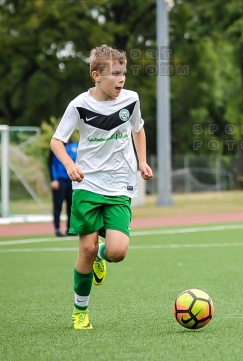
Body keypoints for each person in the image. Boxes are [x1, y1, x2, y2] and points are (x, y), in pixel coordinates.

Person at [50, 44, 153, 329]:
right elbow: (56, 141)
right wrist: (70, 165)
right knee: (84, 249)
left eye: (124, 73)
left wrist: (142, 161)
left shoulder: (131, 99)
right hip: (88, 185)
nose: (121, 79)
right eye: (114, 74)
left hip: (120, 184)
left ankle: (100, 255)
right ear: (96, 75)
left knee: (117, 251)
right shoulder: (79, 105)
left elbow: (138, 128)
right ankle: (80, 311)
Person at [48, 141, 78, 237]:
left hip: (72, 180)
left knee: (72, 206)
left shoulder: (76, 145)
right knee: (58, 205)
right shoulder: (56, 145)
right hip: (60, 180)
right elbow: (51, 164)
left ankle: (70, 228)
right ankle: (57, 228)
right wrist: (54, 179)